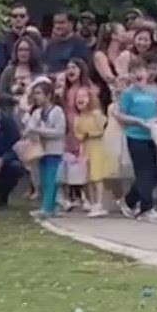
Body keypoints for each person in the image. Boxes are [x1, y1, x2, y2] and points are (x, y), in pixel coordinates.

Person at [115, 60, 157, 222]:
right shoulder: (128, 93)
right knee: (144, 172)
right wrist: (137, 121)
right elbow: (120, 115)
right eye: (134, 71)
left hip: (153, 136)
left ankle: (129, 200)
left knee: (156, 174)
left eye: (141, 70)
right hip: (135, 135)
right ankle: (146, 208)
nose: (138, 74)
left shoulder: (156, 93)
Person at [23, 80, 68, 219]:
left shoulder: (57, 111)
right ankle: (50, 206)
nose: (36, 96)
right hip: (40, 151)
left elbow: (60, 131)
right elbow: (29, 128)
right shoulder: (37, 112)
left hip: (54, 150)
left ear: (48, 95)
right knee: (42, 180)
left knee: (51, 180)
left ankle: (47, 208)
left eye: (39, 93)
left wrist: (39, 130)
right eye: (34, 94)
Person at [73, 85, 112, 217]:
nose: (80, 99)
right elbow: (78, 134)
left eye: (83, 97)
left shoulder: (96, 114)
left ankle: (99, 203)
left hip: (97, 147)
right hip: (85, 148)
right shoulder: (78, 118)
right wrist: (83, 137)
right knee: (88, 177)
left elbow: (101, 130)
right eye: (78, 97)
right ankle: (92, 201)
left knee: (97, 176)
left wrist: (89, 134)